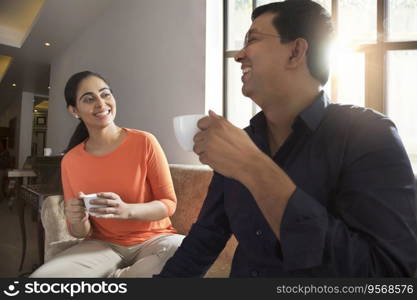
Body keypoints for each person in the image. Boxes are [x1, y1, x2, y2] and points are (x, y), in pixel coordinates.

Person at [158, 0, 417, 277]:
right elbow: (203, 240)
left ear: (295, 52)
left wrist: (254, 168)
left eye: (253, 40)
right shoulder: (245, 142)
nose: (238, 55)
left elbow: (389, 274)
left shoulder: (370, 135)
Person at [31, 71, 184, 277]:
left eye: (105, 94)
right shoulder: (70, 161)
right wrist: (78, 218)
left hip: (156, 240)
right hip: (102, 245)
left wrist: (127, 210)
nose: (101, 103)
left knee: (182, 253)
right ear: (74, 110)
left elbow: (168, 204)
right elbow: (78, 232)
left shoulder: (145, 142)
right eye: (89, 99)